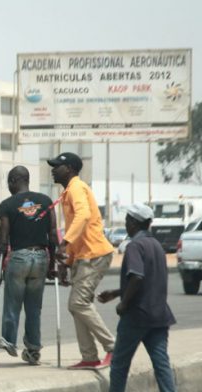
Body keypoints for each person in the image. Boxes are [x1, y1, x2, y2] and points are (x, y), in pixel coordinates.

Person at [88, 203, 185, 392]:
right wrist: (116, 292)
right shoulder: (156, 246)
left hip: (137, 316)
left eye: (127, 220)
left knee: (119, 363)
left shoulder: (134, 246)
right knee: (161, 363)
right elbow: (145, 280)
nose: (126, 224)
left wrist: (123, 303)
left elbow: (138, 277)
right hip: (159, 314)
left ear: (133, 222)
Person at [48, 152, 115, 370]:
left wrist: (63, 243)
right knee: (77, 306)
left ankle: (114, 348)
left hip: (95, 254)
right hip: (85, 255)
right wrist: (67, 264)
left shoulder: (76, 188)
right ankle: (89, 357)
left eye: (57, 166)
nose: (52, 169)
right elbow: (79, 230)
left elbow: (83, 216)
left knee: (79, 303)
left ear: (69, 169)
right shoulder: (69, 191)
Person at [0, 166, 58, 365]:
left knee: (13, 303)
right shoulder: (45, 201)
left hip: (19, 258)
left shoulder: (7, 205)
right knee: (34, 307)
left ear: (13, 180)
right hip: (40, 257)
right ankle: (33, 349)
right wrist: (53, 263)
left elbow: (3, 241)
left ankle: (9, 341)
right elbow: (53, 234)